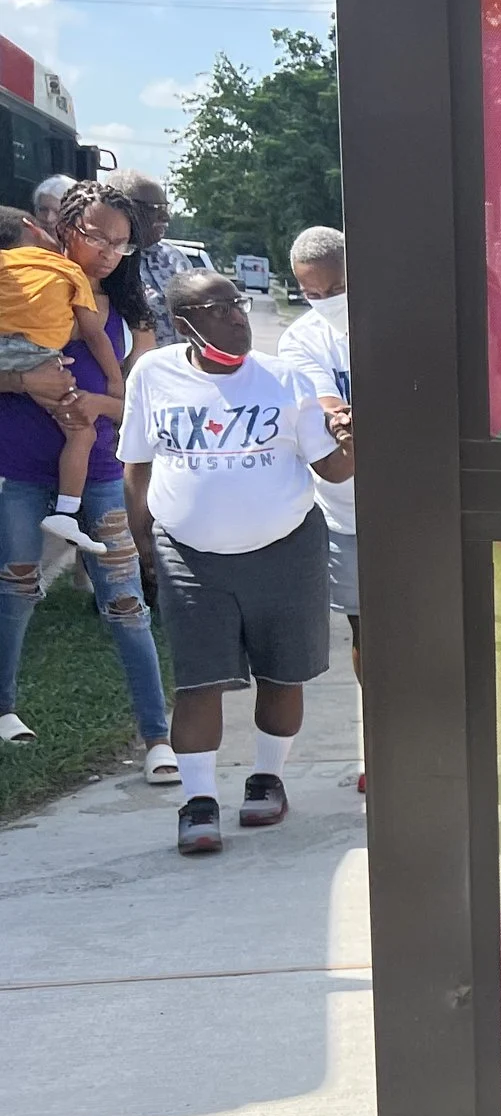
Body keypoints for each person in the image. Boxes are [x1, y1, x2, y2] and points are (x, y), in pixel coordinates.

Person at [121, 270, 353, 855]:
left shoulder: (284, 378)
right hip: (190, 557)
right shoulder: (154, 373)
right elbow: (137, 462)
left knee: (283, 673)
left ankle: (267, 779)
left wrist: (352, 436)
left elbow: (335, 469)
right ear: (184, 323)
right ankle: (197, 802)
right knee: (199, 682)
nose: (236, 316)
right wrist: (142, 538)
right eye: (217, 307)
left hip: (285, 548)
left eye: (238, 303)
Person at [0, 182, 173, 776]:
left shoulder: (131, 313)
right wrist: (25, 384)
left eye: (120, 244)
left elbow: (145, 411)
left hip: (100, 475)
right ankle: (5, 711)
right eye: (96, 235)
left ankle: (157, 739)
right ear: (65, 224)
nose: (106, 251)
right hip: (21, 471)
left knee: (127, 607)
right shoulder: (17, 283)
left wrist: (99, 406)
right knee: (14, 593)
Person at [277, 225, 361, 791]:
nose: (327, 300)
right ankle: (380, 744)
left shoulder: (402, 312)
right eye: (313, 291)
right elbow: (331, 415)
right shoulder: (300, 340)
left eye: (338, 286)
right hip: (348, 512)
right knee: (367, 633)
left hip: (422, 506)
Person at [0, 205, 124, 554]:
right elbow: (95, 334)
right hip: (36, 355)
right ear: (35, 229)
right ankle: (67, 512)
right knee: (81, 432)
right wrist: (115, 380)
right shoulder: (65, 269)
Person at [103, 169, 177, 343]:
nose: (165, 216)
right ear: (123, 206)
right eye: (155, 209)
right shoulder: (105, 259)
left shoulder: (174, 257)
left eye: (166, 207)